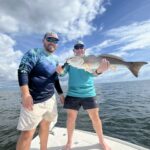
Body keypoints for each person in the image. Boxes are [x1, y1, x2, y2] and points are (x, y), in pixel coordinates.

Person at [56, 41, 111, 150]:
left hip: (89, 93)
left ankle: (101, 141)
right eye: (77, 47)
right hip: (72, 94)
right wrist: (59, 70)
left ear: (84, 50)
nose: (79, 49)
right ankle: (69, 142)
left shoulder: (90, 60)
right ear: (74, 51)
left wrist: (100, 70)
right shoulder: (70, 62)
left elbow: (94, 73)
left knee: (95, 118)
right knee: (71, 118)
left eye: (81, 47)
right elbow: (62, 73)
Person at [16, 32, 64, 150]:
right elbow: (23, 71)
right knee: (27, 134)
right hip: (33, 100)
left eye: (55, 40)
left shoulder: (56, 59)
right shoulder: (34, 53)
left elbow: (55, 78)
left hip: (50, 99)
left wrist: (61, 94)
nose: (52, 42)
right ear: (43, 40)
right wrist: (26, 94)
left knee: (46, 126)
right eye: (49, 39)